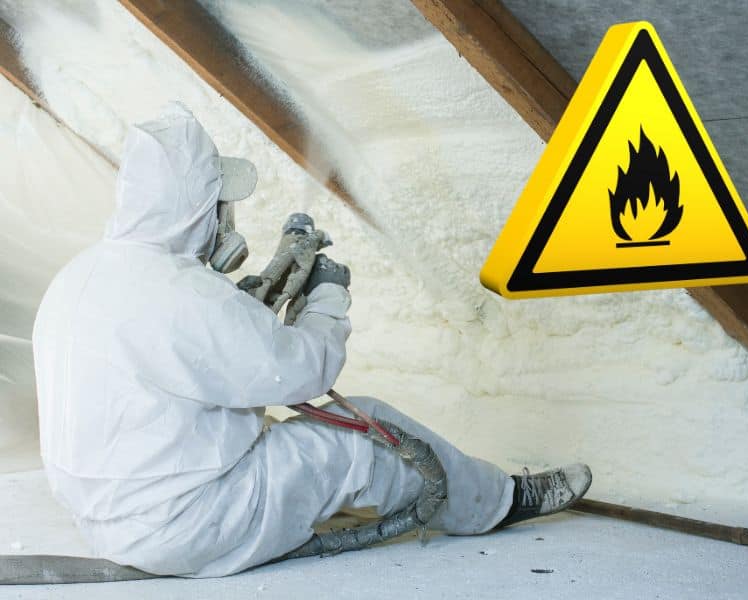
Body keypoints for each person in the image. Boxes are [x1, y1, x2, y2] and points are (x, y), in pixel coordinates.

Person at [32, 102, 591, 578]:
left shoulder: (81, 277)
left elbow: (177, 360)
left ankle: (490, 498)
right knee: (367, 432)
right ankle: (500, 503)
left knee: (279, 435)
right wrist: (327, 298)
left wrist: (245, 306)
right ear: (197, 206)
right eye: (218, 203)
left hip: (106, 521)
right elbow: (302, 372)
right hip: (189, 525)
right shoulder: (185, 295)